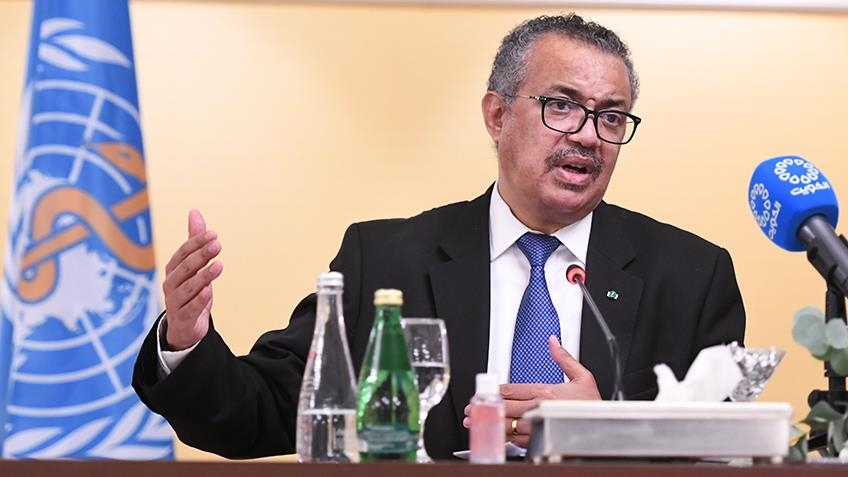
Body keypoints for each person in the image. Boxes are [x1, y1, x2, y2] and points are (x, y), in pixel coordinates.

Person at [132, 13, 745, 459]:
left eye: (610, 116)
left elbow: (732, 448)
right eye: (561, 106)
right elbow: (264, 413)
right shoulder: (385, 261)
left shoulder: (691, 276)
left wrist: (609, 430)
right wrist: (187, 340)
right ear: (497, 115)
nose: (588, 135)